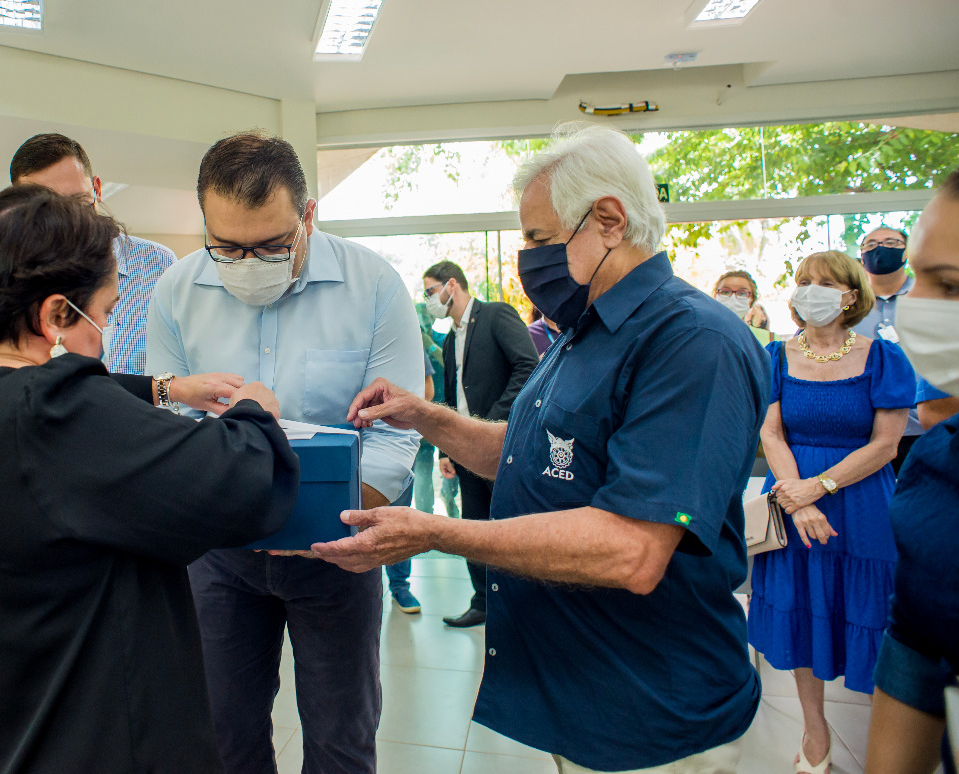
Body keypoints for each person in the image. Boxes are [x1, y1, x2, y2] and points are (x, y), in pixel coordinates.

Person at [313, 124, 769, 773]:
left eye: (537, 238)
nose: (529, 258)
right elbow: (524, 454)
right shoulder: (586, 331)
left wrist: (439, 532)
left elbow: (634, 548)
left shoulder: (691, 343)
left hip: (653, 715)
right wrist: (422, 417)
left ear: (608, 220)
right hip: (582, 699)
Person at [0, 185, 300, 773]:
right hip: (88, 731)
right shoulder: (46, 415)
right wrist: (256, 413)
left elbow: (71, 411)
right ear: (56, 314)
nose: (102, 335)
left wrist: (166, 388)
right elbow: (239, 484)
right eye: (101, 314)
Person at [146, 132, 422, 773]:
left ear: (309, 216)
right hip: (219, 557)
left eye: (271, 245)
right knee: (222, 732)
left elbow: (396, 430)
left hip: (339, 555)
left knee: (342, 733)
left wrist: (339, 525)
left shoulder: (374, 286)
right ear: (205, 226)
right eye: (228, 247)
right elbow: (170, 424)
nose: (247, 261)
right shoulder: (177, 291)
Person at [748, 250, 914, 773]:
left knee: (871, 616)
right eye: (802, 281)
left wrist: (817, 488)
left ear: (850, 294)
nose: (810, 290)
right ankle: (814, 729)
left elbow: (886, 445)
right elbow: (770, 432)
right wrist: (796, 501)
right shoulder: (775, 356)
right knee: (800, 611)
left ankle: (887, 736)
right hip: (791, 501)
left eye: (824, 282)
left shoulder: (884, 358)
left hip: (860, 503)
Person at [866, 171, 959, 774]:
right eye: (921, 278)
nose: (920, 304)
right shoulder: (935, 470)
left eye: (948, 285)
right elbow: (916, 649)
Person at [423, 260, 539, 629]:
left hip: (503, 445)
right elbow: (452, 395)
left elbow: (528, 366)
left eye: (430, 291)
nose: (429, 300)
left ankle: (521, 605)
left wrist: (489, 422)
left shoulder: (495, 315)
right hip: (466, 450)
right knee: (473, 525)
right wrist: (447, 446)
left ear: (451, 285)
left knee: (510, 527)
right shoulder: (453, 337)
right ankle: (484, 602)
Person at [9, 133, 176, 374]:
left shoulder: (158, 263)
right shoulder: (12, 278)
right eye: (48, 212)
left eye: (78, 204)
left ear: (96, 189)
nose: (69, 223)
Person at [853, 225, 926, 471]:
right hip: (862, 432)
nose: (880, 248)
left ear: (907, 252)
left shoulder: (931, 296)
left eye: (891, 243)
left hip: (925, 428)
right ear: (861, 255)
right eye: (871, 244)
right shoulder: (849, 306)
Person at [385, 343, 436, 614]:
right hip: (351, 435)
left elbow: (428, 390)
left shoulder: (407, 339)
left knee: (398, 513)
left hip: (396, 442)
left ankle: (400, 586)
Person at [412, 302, 458, 518]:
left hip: (446, 415)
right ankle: (424, 515)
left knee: (452, 468)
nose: (424, 322)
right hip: (420, 420)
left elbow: (447, 362)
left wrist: (427, 342)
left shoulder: (442, 338)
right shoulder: (410, 342)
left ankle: (450, 502)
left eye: (426, 317)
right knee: (422, 471)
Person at [713, 269, 773, 344]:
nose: (733, 298)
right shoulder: (699, 334)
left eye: (742, 293)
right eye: (725, 292)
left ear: (752, 299)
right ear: (715, 295)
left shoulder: (770, 339)